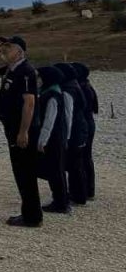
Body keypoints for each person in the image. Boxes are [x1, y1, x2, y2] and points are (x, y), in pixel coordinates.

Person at [0, 36, 41, 227]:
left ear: (20, 51)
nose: (4, 52)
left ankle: (32, 216)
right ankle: (30, 212)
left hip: (21, 129)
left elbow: (29, 103)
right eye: (3, 48)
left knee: (25, 171)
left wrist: (23, 131)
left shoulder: (25, 71)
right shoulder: (11, 69)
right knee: (20, 170)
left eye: (8, 48)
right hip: (12, 127)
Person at [35, 65, 70, 214]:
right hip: (58, 138)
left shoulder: (51, 96)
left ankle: (60, 203)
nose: (37, 80)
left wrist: (42, 140)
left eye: (39, 77)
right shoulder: (56, 92)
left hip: (53, 139)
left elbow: (49, 120)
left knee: (55, 171)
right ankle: (61, 200)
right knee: (57, 170)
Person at [55, 63, 89, 205]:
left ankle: (77, 196)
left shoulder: (68, 91)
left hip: (74, 132)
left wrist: (66, 138)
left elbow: (68, 116)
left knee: (74, 165)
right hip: (80, 128)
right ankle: (80, 194)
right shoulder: (75, 86)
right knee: (77, 164)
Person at [71, 62, 98, 200]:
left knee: (82, 157)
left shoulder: (81, 88)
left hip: (84, 124)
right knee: (86, 157)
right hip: (89, 123)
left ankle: (85, 189)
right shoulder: (87, 86)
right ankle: (89, 189)